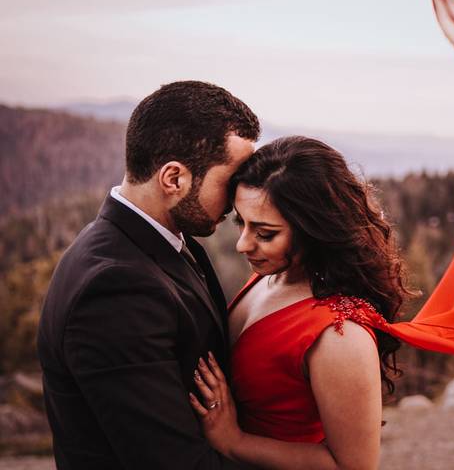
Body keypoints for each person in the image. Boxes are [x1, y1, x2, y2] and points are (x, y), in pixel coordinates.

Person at [37, 80, 261, 470]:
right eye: (231, 181)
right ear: (174, 179)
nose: (240, 198)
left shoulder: (160, 238)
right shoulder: (113, 290)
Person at [188, 135, 412, 470]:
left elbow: (353, 466)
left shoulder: (340, 336)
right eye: (241, 223)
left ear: (313, 230)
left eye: (265, 234)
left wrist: (235, 442)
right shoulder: (269, 275)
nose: (243, 244)